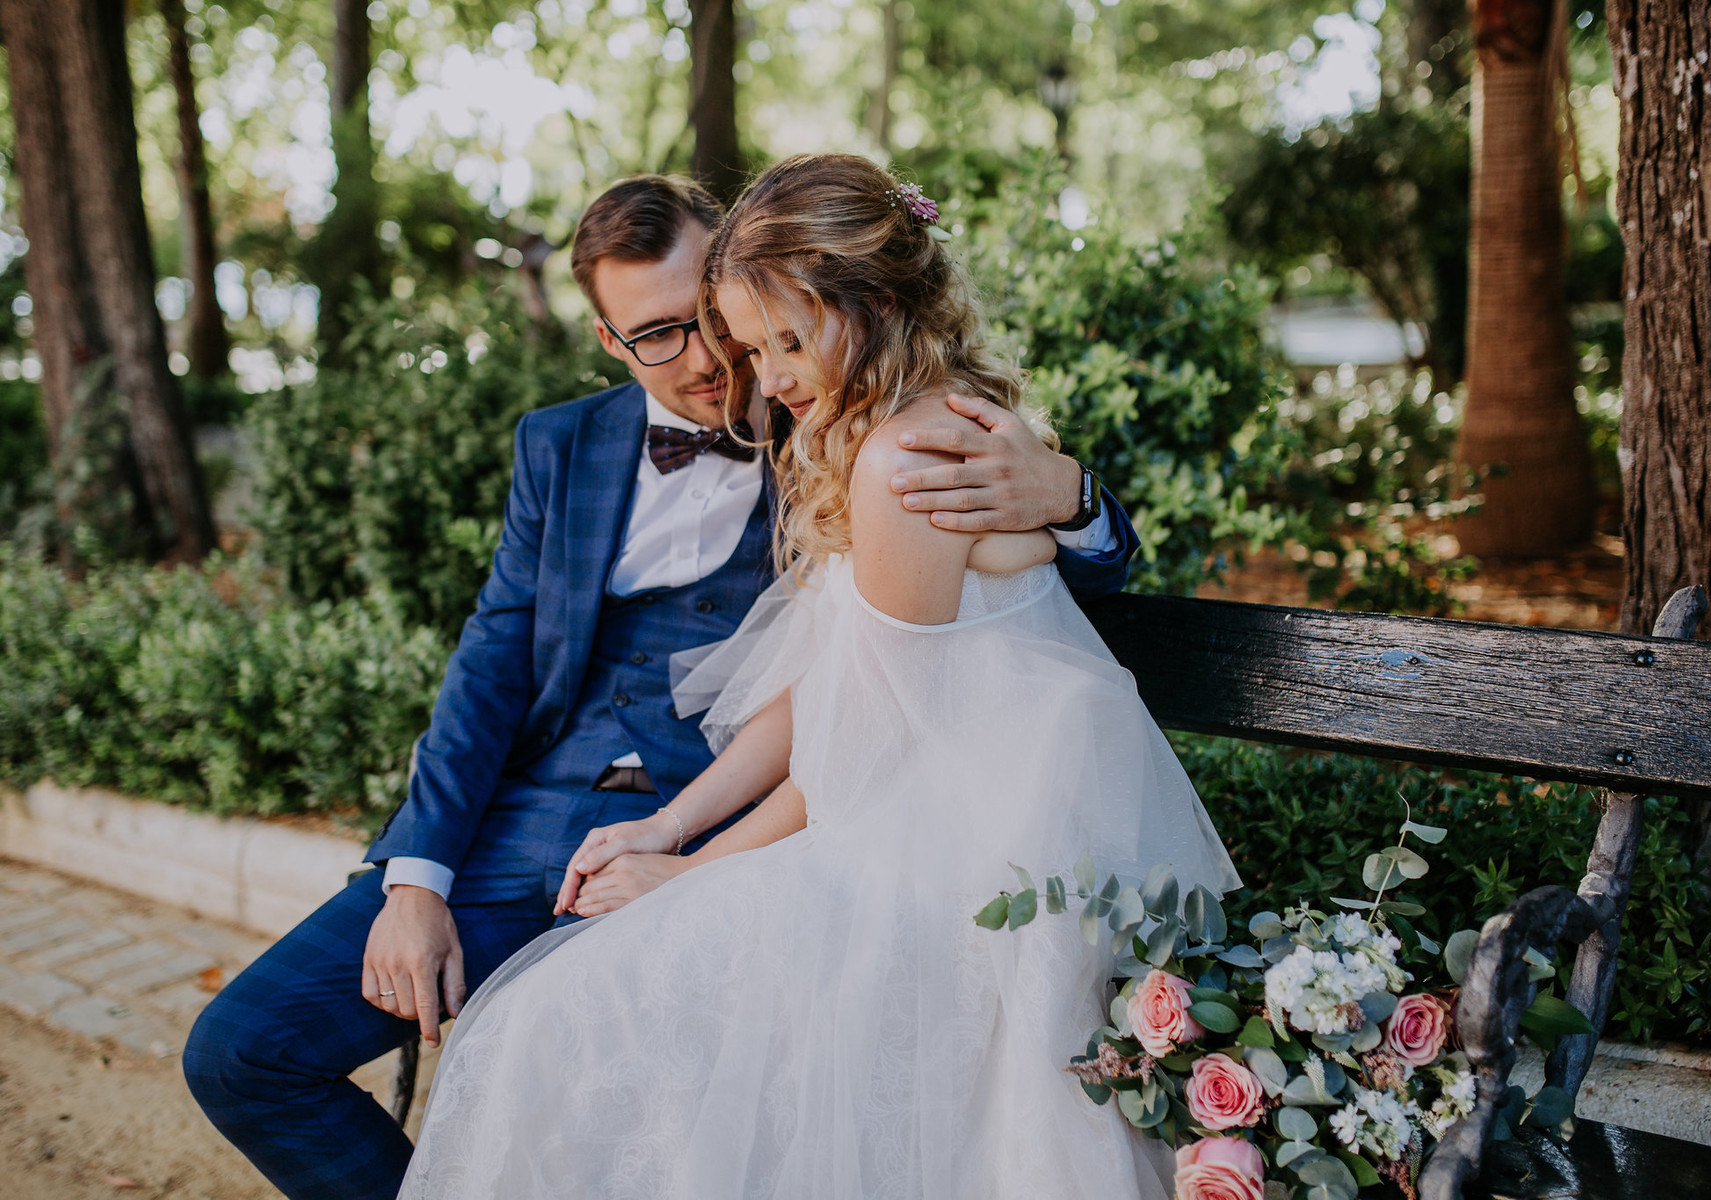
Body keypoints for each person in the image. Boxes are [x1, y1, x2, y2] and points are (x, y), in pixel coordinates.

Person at [182, 173, 1138, 1200]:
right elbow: (490, 670)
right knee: (242, 1053)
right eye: (657, 337)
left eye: (711, 325)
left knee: (547, 1065)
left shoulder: (834, 408)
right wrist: (418, 877)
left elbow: (987, 611)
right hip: (536, 828)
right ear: (608, 341)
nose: (712, 364)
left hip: (750, 835)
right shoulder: (561, 448)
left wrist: (1073, 496)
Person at [398, 155, 1239, 1199]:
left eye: (788, 342)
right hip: (927, 796)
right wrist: (667, 830)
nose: (768, 376)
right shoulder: (887, 420)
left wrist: (689, 874)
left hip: (965, 845)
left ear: (874, 304)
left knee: (564, 1020)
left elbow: (870, 748)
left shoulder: (906, 460)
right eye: (752, 346)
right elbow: (833, 685)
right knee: (571, 1016)